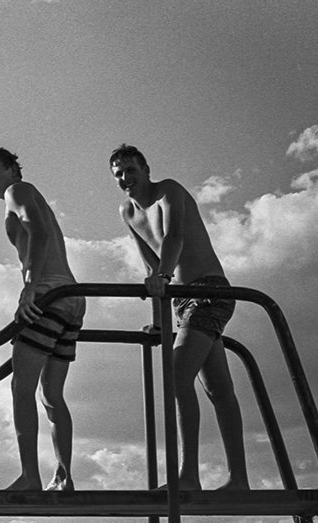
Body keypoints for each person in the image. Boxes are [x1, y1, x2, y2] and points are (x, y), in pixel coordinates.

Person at [109, 144, 249, 490]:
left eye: (131, 170)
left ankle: (188, 476)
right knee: (218, 389)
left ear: (146, 170)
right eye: (118, 174)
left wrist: (164, 276)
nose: (125, 178)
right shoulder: (128, 211)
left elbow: (175, 238)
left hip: (210, 292)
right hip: (181, 302)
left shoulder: (167, 191)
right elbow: (150, 267)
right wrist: (160, 323)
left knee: (176, 375)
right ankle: (239, 480)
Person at [0, 147, 85, 492]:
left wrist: (30, 287)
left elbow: (38, 232)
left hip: (48, 293)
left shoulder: (17, 190)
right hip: (71, 296)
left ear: (12, 168)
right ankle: (63, 477)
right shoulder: (27, 193)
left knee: (21, 388)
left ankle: (29, 477)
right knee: (51, 394)